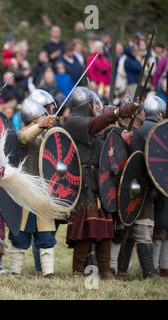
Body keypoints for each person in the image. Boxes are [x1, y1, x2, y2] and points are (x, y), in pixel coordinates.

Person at [62, 86, 139, 279]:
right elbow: (93, 125)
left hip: (100, 182)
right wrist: (117, 112)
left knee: (104, 229)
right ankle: (79, 271)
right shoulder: (73, 122)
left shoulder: (95, 126)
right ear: (86, 104)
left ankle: (105, 271)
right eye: (94, 103)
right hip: (84, 182)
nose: (97, 106)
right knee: (85, 230)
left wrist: (118, 132)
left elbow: (107, 146)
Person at [7, 98, 57, 278]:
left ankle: (48, 273)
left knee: (46, 235)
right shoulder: (20, 134)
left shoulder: (49, 135)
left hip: (44, 190)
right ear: (35, 119)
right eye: (42, 115)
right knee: (19, 235)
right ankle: (15, 271)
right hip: (26, 192)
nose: (46, 116)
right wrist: (41, 126)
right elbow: (25, 138)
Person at [117, 95, 165, 280]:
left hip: (133, 187)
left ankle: (122, 271)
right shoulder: (148, 131)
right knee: (142, 229)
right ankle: (147, 273)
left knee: (129, 230)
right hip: (140, 187)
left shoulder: (138, 131)